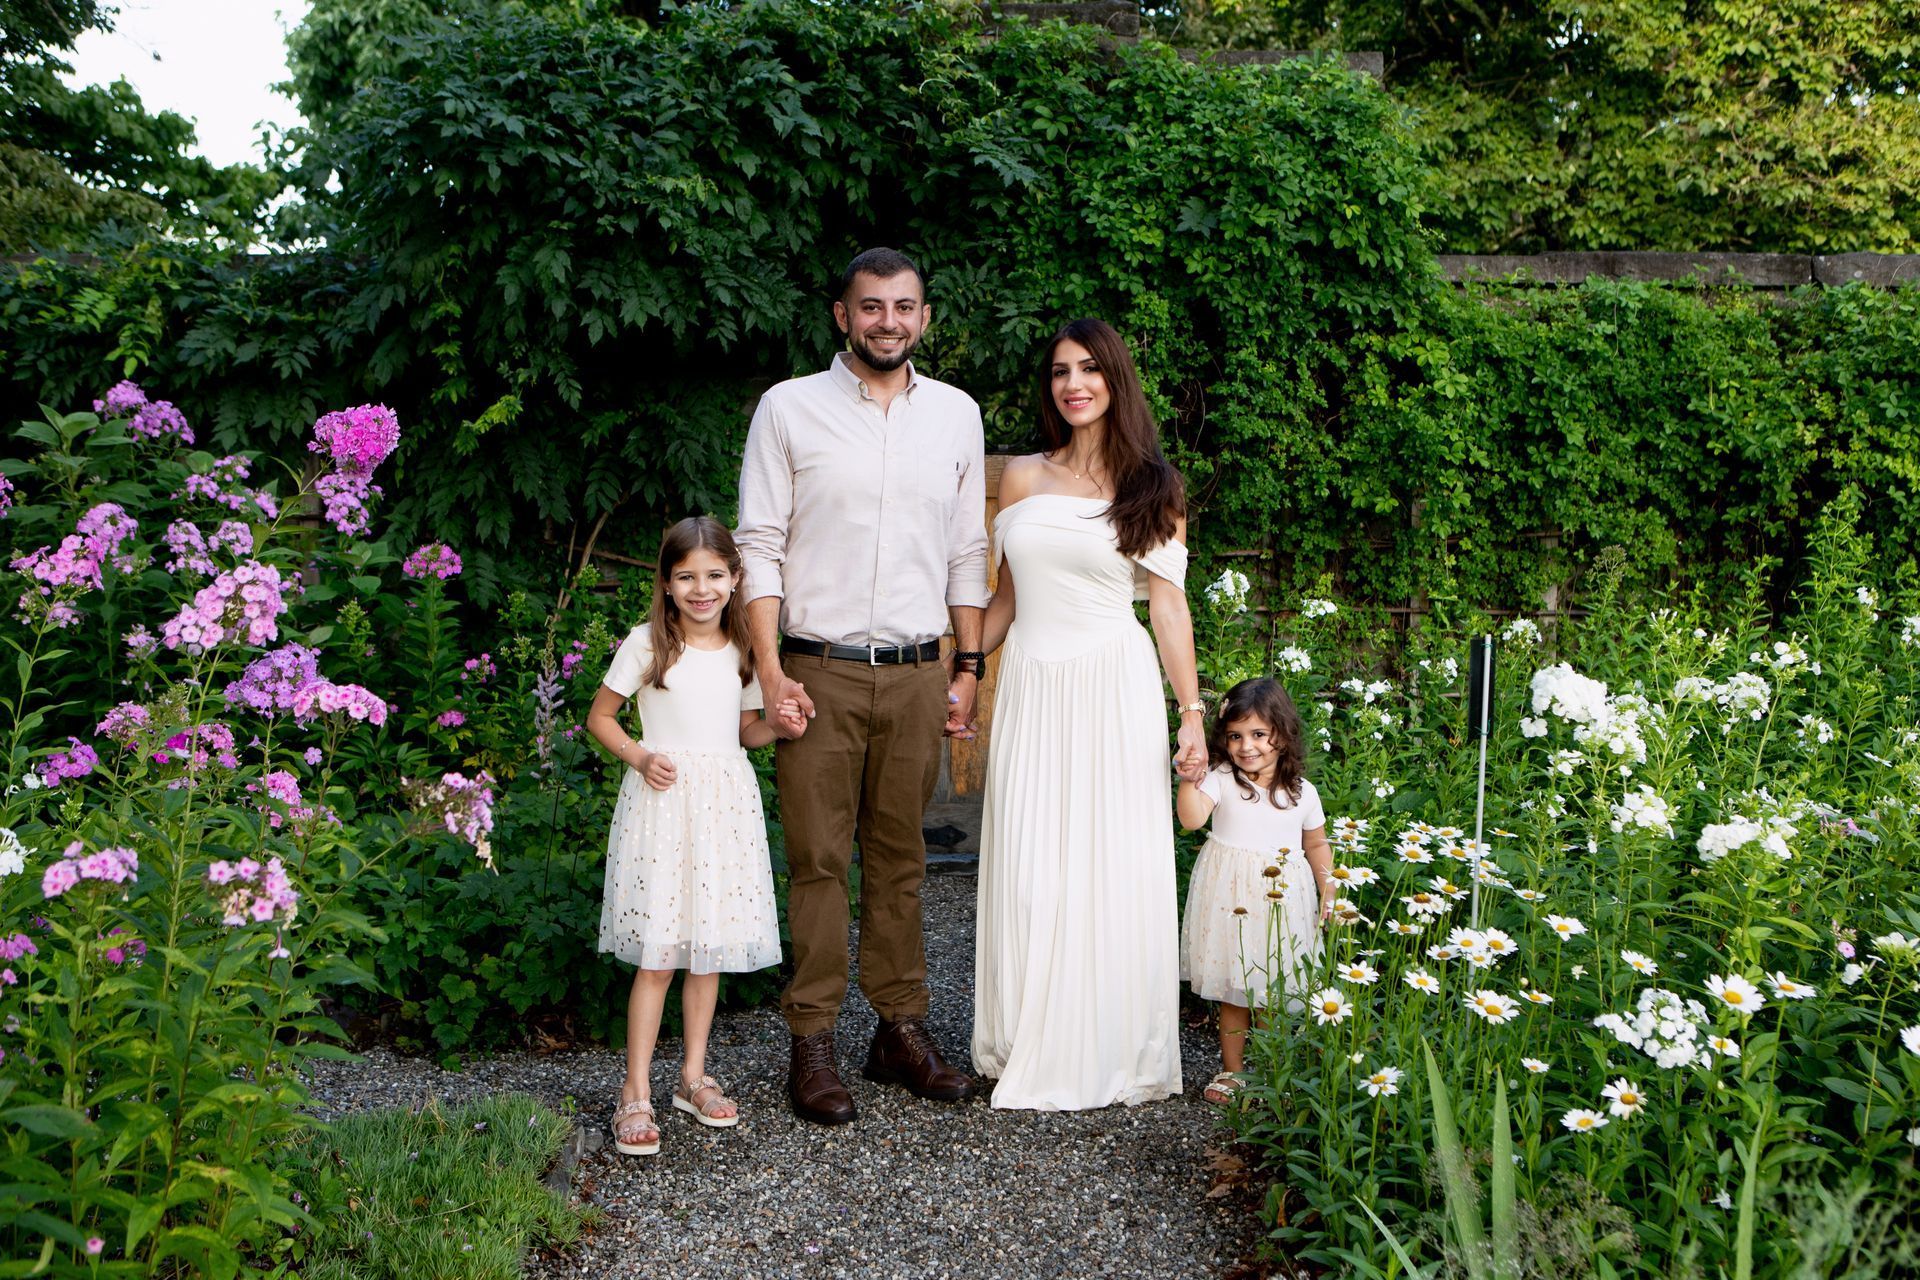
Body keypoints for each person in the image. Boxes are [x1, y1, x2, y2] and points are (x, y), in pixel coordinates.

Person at [735, 247, 988, 1126]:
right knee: (816, 860)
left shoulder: (957, 416)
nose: (889, 321)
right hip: (816, 671)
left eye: (905, 306)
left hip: (921, 674)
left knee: (902, 860)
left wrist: (968, 667)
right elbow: (757, 545)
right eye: (871, 306)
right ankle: (812, 1040)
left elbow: (967, 551)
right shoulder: (789, 409)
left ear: (924, 317)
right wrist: (769, 672)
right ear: (843, 315)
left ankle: (899, 1030)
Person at [971, 317, 1207, 1111]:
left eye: (1088, 370)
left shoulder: (1153, 485)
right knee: (1032, 860)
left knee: (1113, 860)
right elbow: (1006, 598)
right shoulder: (1023, 479)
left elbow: (1168, 608)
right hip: (1033, 686)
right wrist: (964, 674)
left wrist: (1192, 714)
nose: (1073, 384)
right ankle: (1030, 1030)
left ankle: (1109, 1043)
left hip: (1114, 684)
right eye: (1059, 372)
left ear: (1115, 379)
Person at [585, 516, 785, 1156]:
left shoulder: (744, 650)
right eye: (687, 577)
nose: (702, 589)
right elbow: (600, 717)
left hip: (724, 809)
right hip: (665, 808)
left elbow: (745, 731)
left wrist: (779, 726)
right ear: (667, 584)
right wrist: (641, 757)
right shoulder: (648, 644)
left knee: (709, 949)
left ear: (734, 579)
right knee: (659, 955)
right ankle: (635, 1090)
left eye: (715, 576)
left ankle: (693, 1076)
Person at [1176, 677, 1333, 1106]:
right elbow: (1191, 820)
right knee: (1235, 987)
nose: (1247, 746)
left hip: (1284, 902)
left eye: (1259, 734)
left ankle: (1267, 1071)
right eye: (1235, 736)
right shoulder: (1223, 779)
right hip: (1233, 904)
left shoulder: (1302, 792)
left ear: (1282, 734)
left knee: (1273, 991)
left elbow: (1316, 843)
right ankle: (1233, 1071)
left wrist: (1330, 891)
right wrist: (1191, 775)